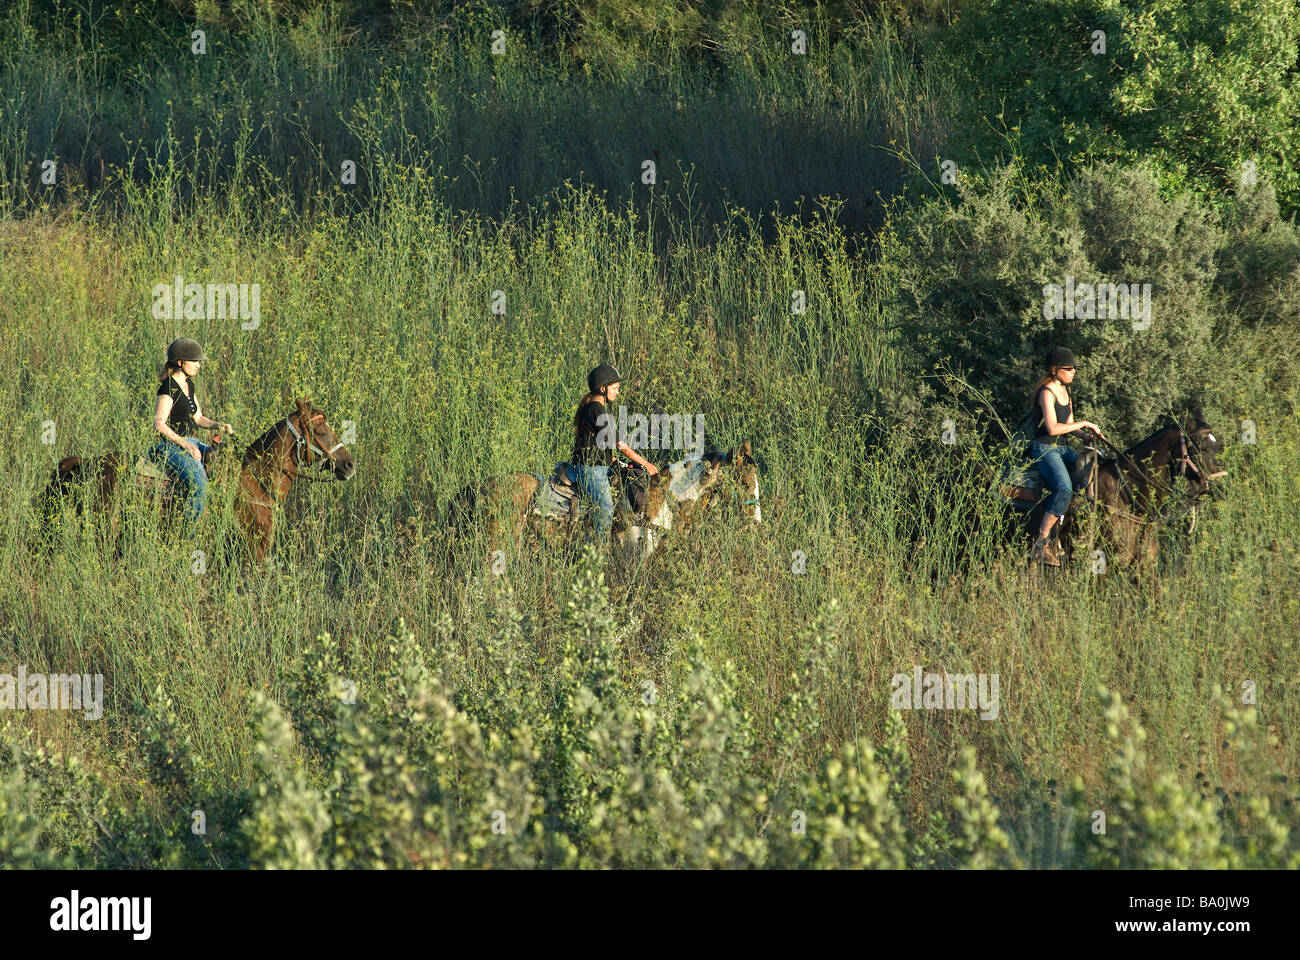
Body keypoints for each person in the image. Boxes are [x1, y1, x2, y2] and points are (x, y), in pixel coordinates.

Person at [1026, 347, 1109, 565]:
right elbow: (1053, 428)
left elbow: (1069, 423)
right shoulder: (1046, 392)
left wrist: (1085, 435)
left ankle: (1068, 530)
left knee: (1096, 466)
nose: (1073, 372)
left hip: (1062, 448)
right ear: (1055, 370)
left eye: (1074, 368)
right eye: (1069, 368)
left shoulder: (1066, 391)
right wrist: (1086, 422)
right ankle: (1041, 544)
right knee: (1064, 488)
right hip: (1045, 449)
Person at [148, 338, 234, 527]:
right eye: (194, 361)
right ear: (180, 362)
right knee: (199, 486)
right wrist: (186, 444)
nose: (198, 365)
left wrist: (219, 425)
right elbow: (159, 423)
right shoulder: (168, 387)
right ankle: (186, 534)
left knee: (227, 459)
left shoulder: (189, 385)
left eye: (199, 362)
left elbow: (198, 418)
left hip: (190, 443)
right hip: (169, 447)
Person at [571, 364, 659, 543]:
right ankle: (597, 550)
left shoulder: (594, 408)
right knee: (605, 508)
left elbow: (594, 445)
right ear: (603, 389)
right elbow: (620, 444)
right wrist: (647, 464)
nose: (618, 392)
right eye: (615, 388)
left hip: (599, 466)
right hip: (591, 470)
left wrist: (614, 461)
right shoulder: (596, 409)